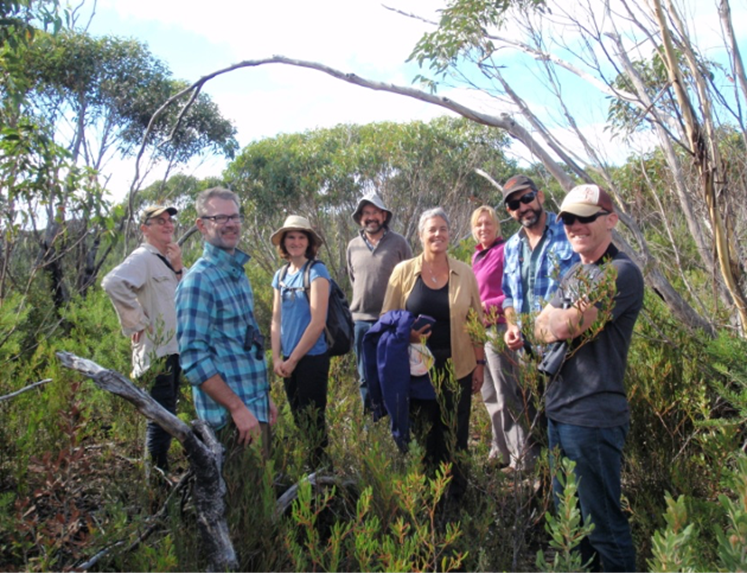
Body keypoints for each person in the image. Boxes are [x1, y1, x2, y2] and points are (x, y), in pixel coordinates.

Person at [534, 184, 643, 573]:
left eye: (585, 218)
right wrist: (554, 321)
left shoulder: (621, 273)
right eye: (568, 220)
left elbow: (565, 325)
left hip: (594, 417)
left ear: (611, 220)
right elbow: (540, 324)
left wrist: (558, 320)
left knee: (604, 528)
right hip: (560, 411)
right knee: (572, 526)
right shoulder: (575, 272)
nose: (575, 226)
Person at [382, 207, 484, 499]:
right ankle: (427, 498)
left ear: (450, 234)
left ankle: (456, 497)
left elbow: (475, 322)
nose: (438, 234)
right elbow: (386, 320)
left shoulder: (464, 272)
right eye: (432, 229)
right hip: (417, 370)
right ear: (420, 235)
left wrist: (479, 364)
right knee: (425, 434)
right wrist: (409, 335)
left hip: (458, 367)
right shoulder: (403, 272)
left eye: (443, 229)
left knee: (455, 433)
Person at [175, 187, 277, 458]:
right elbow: (193, 358)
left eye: (235, 217)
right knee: (239, 495)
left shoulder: (237, 274)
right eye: (220, 218)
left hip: (255, 406)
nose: (230, 224)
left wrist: (265, 397)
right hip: (230, 421)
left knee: (261, 492)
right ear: (202, 225)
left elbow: (246, 341)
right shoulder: (199, 281)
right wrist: (237, 408)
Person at [102, 204, 184, 472]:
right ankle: (156, 486)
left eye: (169, 220)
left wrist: (179, 267)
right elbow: (112, 282)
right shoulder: (143, 258)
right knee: (160, 421)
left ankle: (160, 479)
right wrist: (137, 321)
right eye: (159, 221)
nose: (167, 224)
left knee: (167, 416)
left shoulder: (163, 259)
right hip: (156, 353)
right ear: (145, 229)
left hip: (173, 350)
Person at [470, 205, 533, 471]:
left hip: (498, 328)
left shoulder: (504, 251)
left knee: (507, 392)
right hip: (479, 331)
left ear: (497, 226)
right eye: (478, 225)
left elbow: (513, 290)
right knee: (489, 393)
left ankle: (523, 457)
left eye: (487, 223)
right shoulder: (477, 256)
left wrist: (485, 305)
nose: (483, 228)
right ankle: (500, 451)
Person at [270, 215, 331, 468]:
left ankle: (323, 476)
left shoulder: (317, 271)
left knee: (313, 420)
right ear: (284, 242)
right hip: (288, 362)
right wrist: (276, 358)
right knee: (298, 417)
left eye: (301, 237)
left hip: (312, 359)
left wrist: (294, 359)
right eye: (291, 237)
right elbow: (275, 320)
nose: (296, 242)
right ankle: (311, 472)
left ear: (309, 242)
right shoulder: (281, 275)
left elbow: (318, 323)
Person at [347, 192, 412, 412]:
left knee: (391, 373)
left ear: (384, 216)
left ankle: (395, 420)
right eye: (366, 213)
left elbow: (410, 278)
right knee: (365, 376)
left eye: (375, 212)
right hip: (361, 322)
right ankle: (371, 424)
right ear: (360, 217)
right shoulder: (352, 246)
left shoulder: (399, 242)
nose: (371, 217)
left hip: (391, 320)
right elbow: (353, 279)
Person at [501, 175, 579, 353]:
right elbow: (508, 296)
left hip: (565, 348)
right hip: (526, 354)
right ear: (509, 211)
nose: (522, 207)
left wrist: (562, 321)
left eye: (527, 198)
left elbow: (584, 284)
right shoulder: (511, 247)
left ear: (540, 196)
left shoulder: (569, 231)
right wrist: (512, 326)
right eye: (514, 205)